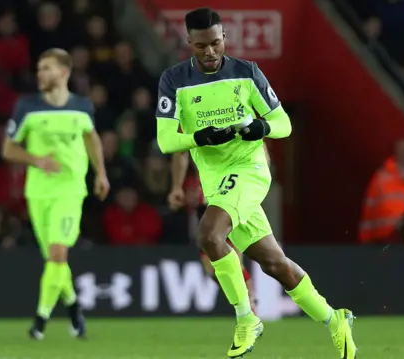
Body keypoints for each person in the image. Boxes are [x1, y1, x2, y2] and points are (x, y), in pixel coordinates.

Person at [155, 8, 356, 359]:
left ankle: (247, 318)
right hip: (217, 182)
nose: (210, 52)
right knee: (274, 263)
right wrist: (201, 138)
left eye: (216, 43)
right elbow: (167, 141)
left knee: (209, 235)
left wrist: (261, 128)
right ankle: (333, 318)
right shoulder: (173, 81)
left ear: (224, 38)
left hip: (249, 171)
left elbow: (284, 123)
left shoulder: (247, 73)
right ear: (189, 42)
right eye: (201, 45)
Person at [1, 48, 110, 340]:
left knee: (59, 252)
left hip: (70, 190)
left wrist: (101, 173)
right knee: (54, 261)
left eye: (47, 68)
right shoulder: (27, 106)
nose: (40, 74)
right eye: (39, 68)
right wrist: (36, 160)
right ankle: (74, 309)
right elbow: (8, 148)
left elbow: (92, 137)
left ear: (64, 72)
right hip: (38, 192)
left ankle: (39, 321)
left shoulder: (82, 106)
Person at [168, 151, 256, 313]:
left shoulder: (225, 172)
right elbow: (191, 203)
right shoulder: (193, 181)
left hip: (227, 224)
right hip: (206, 227)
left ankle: (250, 302)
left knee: (236, 264)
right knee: (212, 271)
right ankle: (244, 299)